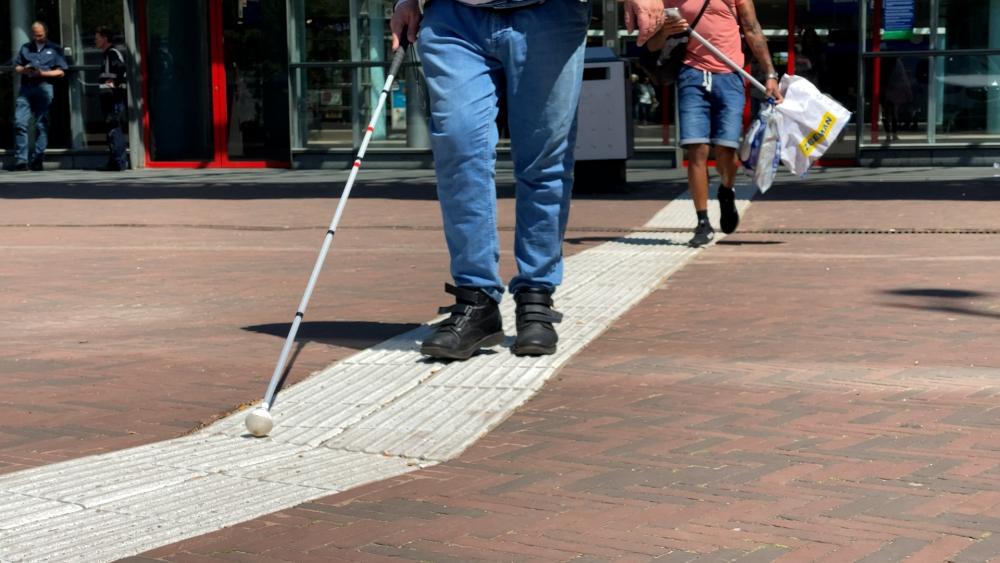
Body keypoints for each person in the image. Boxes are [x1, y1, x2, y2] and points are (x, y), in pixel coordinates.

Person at [391, 0, 666, 360]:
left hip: (549, 11)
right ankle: (477, 299)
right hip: (452, 15)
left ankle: (536, 293)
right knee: (458, 149)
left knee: (544, 158)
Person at [649, 0, 783, 247]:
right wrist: (664, 31)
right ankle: (702, 223)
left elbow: (753, 30)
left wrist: (770, 75)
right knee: (696, 149)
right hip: (690, 76)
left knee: (725, 150)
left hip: (730, 76)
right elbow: (650, 44)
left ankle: (726, 190)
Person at [12, 22, 68, 172]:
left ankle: (37, 158)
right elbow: (16, 67)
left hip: (44, 86)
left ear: (46, 33)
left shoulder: (55, 49)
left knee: (41, 123)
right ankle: (21, 160)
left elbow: (61, 71)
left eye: (40, 35)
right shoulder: (26, 47)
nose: (37, 38)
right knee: (19, 122)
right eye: (35, 35)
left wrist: (42, 73)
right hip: (26, 87)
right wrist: (24, 69)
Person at [95, 26, 129, 171]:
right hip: (110, 97)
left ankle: (118, 162)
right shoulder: (109, 54)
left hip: (113, 98)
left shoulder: (112, 54)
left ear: (104, 39)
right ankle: (115, 161)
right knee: (112, 128)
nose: (95, 41)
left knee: (114, 127)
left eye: (97, 38)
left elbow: (121, 68)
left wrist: (115, 85)